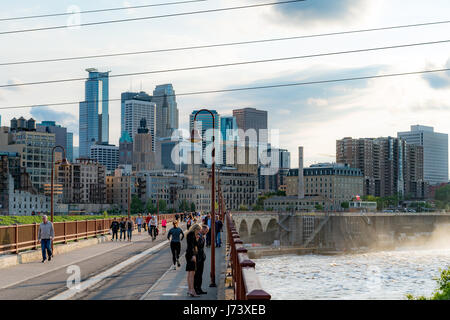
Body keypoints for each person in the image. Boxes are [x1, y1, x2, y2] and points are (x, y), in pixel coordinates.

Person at [185, 223, 201, 297]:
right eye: (199, 230)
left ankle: (189, 289)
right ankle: (192, 290)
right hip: (191, 255)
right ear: (196, 229)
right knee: (192, 274)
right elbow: (192, 246)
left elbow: (193, 245)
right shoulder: (191, 235)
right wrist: (193, 255)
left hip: (188, 254)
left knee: (189, 273)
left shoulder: (190, 234)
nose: (199, 232)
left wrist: (196, 239)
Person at [194, 225, 209, 295]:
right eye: (206, 231)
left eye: (207, 231)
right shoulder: (198, 236)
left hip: (201, 257)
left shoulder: (202, 236)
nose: (207, 232)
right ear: (202, 229)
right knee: (197, 274)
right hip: (198, 257)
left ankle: (199, 289)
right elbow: (196, 246)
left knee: (200, 274)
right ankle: (196, 289)